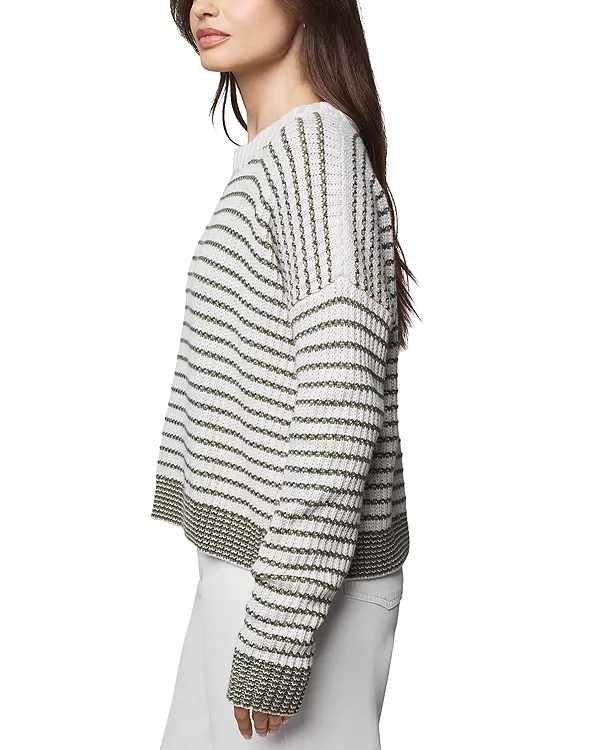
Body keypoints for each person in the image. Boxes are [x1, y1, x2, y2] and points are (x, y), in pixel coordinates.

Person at [150, 0, 418, 747]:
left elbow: (340, 398)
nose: (204, 6)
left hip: (293, 579)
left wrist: (281, 624)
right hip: (252, 562)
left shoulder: (316, 150)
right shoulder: (274, 153)